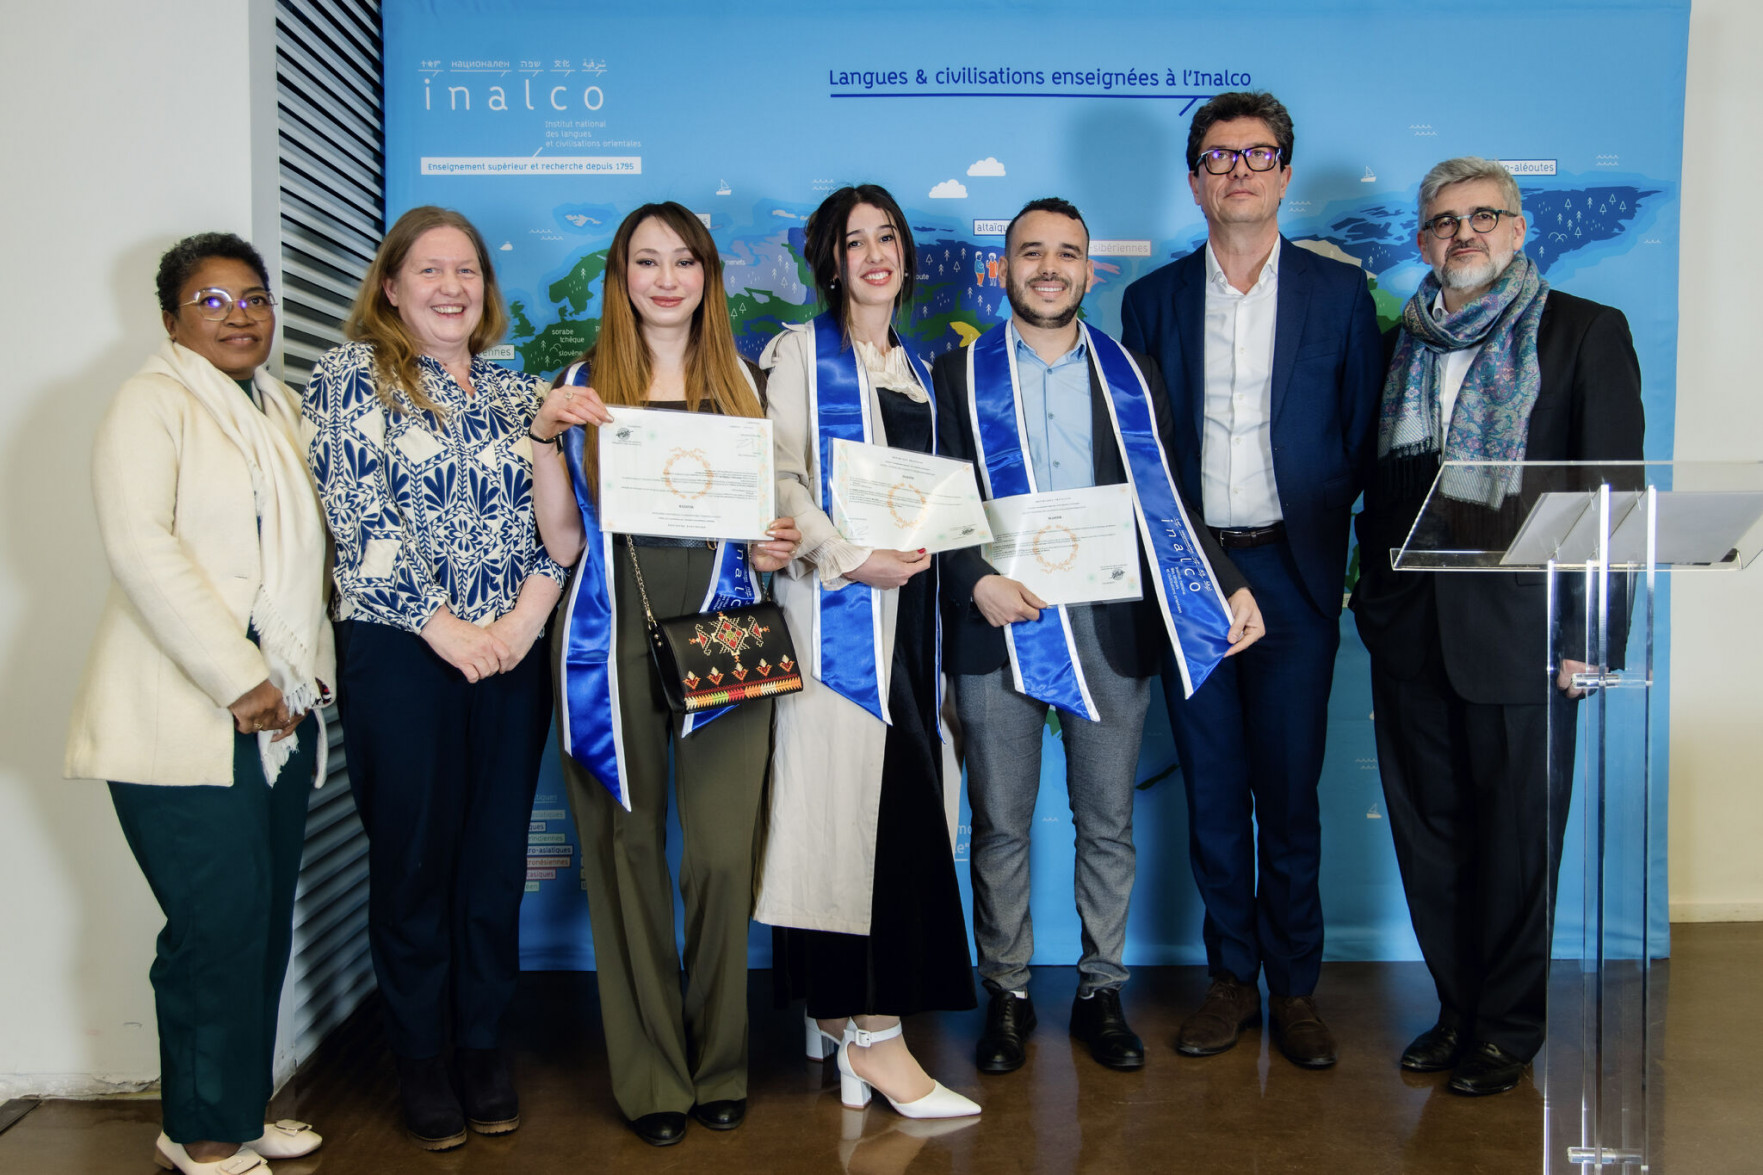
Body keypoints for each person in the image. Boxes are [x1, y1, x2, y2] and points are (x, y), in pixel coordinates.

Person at [935, 198, 1262, 1075]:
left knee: (1107, 823)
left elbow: (1170, 502)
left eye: (1066, 254)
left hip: (1109, 626)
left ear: (1089, 270)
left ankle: (1100, 991)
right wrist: (974, 581)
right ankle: (1006, 993)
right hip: (997, 627)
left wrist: (1227, 583)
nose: (1049, 268)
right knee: (999, 824)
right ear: (1001, 268)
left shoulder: (1133, 374)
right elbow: (933, 502)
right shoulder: (953, 374)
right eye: (1030, 252)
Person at [1351, 155, 1644, 1096]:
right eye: (1443, 221)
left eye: (1483, 216)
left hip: (1527, 638)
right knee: (1430, 836)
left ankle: (1507, 1029)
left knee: (1516, 843)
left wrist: (1591, 640)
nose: (1463, 233)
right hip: (1410, 632)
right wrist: (1372, 601)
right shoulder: (1398, 344)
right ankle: (1456, 1010)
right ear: (1422, 240)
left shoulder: (1582, 332)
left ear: (1517, 230)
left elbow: (1613, 501)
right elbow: (1376, 489)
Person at [524, 202, 800, 1147]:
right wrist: (541, 437)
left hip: (724, 630)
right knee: (625, 853)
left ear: (707, 275)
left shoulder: (744, 381)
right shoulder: (579, 386)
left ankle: (720, 1062)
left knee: (720, 855)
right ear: (621, 277)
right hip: (608, 635)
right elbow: (563, 540)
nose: (667, 278)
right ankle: (651, 1076)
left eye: (684, 260)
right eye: (647, 261)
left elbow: (766, 527)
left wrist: (771, 547)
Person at [1120, 91, 1383, 1068]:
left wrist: (1313, 551)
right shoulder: (1150, 301)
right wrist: (1206, 565)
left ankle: (1294, 986)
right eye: (1218, 157)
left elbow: (1357, 439)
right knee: (1213, 789)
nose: (1238, 170)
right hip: (1191, 569)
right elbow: (1148, 456)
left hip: (1296, 574)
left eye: (1257, 154)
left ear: (1283, 174)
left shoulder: (1336, 295)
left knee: (1290, 792)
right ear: (1193, 181)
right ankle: (1230, 977)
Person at [65, 233, 331, 1174]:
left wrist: (302, 674)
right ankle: (199, 1132)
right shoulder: (151, 403)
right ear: (171, 319)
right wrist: (240, 676)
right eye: (212, 301)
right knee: (213, 923)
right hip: (182, 712)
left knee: (257, 919)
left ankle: (236, 1108)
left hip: (278, 715)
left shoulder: (278, 406)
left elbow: (307, 560)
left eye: (253, 297)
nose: (240, 315)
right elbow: (142, 550)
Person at [304, 206, 566, 1149]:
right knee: (414, 863)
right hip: (402, 653)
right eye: (429, 270)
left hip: (509, 654)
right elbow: (357, 515)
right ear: (390, 286)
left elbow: (557, 530)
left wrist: (520, 625)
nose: (452, 287)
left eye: (467, 271)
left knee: (492, 864)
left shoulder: (518, 391)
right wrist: (445, 628)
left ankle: (482, 1045)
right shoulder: (348, 376)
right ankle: (419, 1057)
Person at [754, 184, 980, 1119]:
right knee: (849, 826)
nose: (876, 254)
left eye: (887, 237)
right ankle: (873, 1037)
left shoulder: (920, 371)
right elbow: (778, 476)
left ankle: (841, 1021)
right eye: (856, 241)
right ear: (831, 262)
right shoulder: (798, 355)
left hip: (911, 629)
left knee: (892, 819)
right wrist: (849, 557)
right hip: (835, 621)